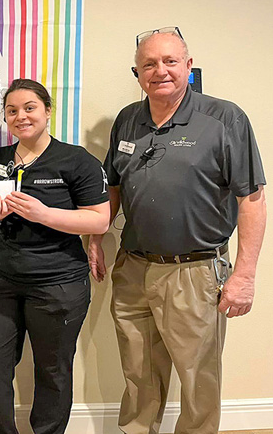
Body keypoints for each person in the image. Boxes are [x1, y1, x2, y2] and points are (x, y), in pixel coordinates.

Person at [88, 27, 267, 434]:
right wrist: (96, 237)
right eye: (149, 64)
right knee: (137, 375)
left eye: (170, 61)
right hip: (133, 269)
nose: (160, 71)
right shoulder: (128, 120)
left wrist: (244, 275)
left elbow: (252, 200)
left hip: (195, 272)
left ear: (189, 66)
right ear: (136, 73)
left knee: (197, 380)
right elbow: (112, 187)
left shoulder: (224, 118)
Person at [0, 78, 110, 434]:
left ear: (47, 111)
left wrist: (42, 213)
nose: (21, 116)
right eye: (12, 110)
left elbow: (100, 219)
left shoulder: (76, 160)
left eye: (30, 108)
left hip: (57, 285)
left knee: (53, 372)